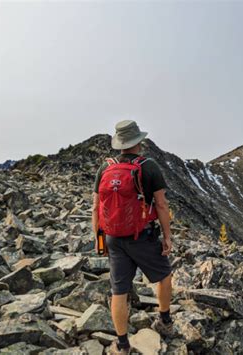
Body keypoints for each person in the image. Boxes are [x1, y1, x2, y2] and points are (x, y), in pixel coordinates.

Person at [91, 120, 174, 354]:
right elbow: (161, 204)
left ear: (119, 143)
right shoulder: (148, 166)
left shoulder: (104, 168)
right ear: (139, 141)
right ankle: (164, 321)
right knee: (164, 275)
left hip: (113, 238)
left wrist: (100, 241)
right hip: (142, 236)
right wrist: (167, 236)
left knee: (119, 291)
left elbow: (96, 207)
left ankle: (123, 344)